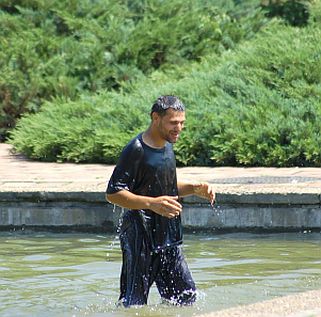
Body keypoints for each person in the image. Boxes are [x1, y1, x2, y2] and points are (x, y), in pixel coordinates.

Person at [106, 95, 215, 307]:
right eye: (174, 123)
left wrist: (194, 189)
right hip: (139, 236)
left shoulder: (167, 145)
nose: (179, 128)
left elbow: (166, 186)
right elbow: (113, 193)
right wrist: (151, 203)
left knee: (185, 298)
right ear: (155, 118)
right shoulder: (136, 149)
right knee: (133, 304)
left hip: (168, 235)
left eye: (182, 122)